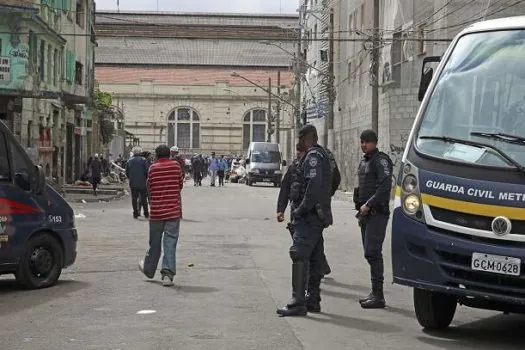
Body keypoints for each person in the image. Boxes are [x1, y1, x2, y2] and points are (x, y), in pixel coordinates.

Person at [276, 124, 333, 317]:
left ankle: (297, 302)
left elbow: (313, 187)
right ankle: (313, 300)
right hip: (316, 215)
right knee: (316, 258)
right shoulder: (323, 155)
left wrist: (301, 210)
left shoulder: (313, 157)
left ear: (306, 138)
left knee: (299, 254)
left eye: (300, 139)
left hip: (309, 217)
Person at [353, 129, 393, 309]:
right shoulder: (365, 161)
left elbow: (385, 187)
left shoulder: (381, 160)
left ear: (374, 142)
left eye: (367, 142)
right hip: (365, 214)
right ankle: (374, 292)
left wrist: (369, 204)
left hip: (377, 213)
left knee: (373, 252)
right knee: (369, 253)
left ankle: (379, 295)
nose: (364, 145)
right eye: (362, 141)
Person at [139, 145, 184, 287]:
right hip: (173, 212)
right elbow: (180, 185)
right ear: (170, 155)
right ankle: (167, 274)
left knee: (155, 243)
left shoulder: (153, 168)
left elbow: (149, 187)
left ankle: (149, 269)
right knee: (170, 242)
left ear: (157, 156)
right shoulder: (176, 166)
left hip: (157, 213)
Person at [125, 146, 149, 219]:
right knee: (144, 198)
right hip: (142, 183)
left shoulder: (129, 161)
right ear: (140, 152)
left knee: (134, 198)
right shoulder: (144, 160)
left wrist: (131, 178)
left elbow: (127, 172)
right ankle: (146, 213)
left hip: (133, 183)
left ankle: (135, 213)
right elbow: (146, 172)